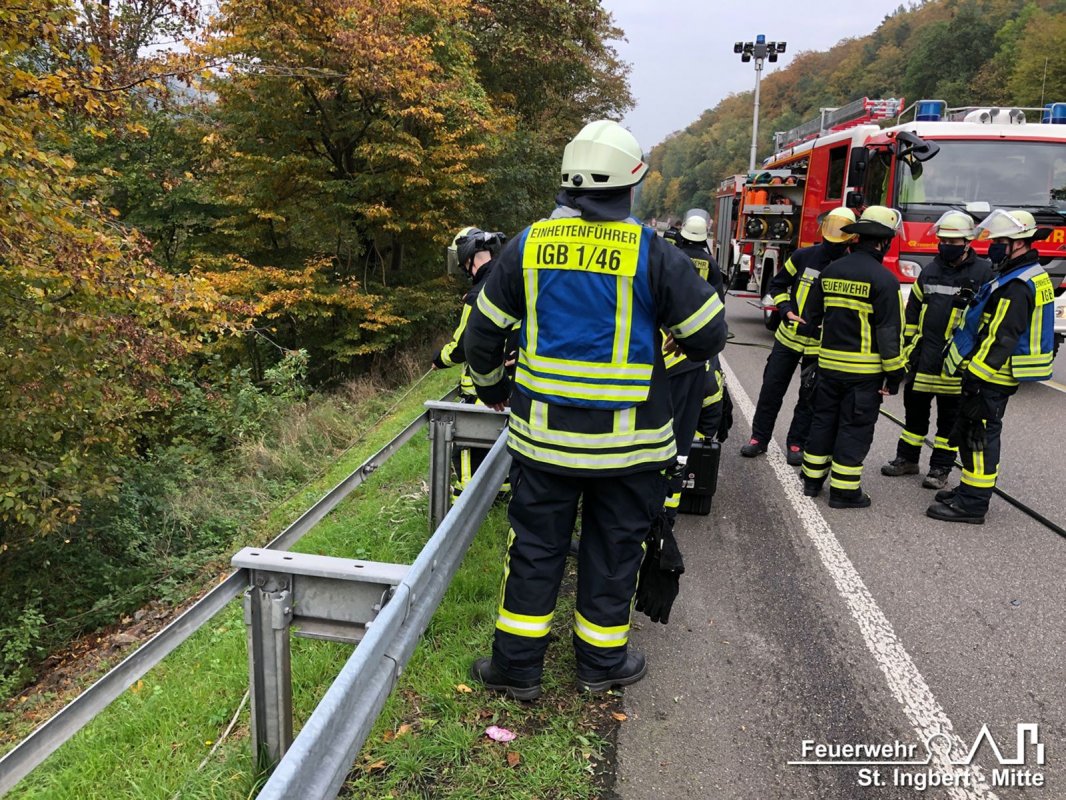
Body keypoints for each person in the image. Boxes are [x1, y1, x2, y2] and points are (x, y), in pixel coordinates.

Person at [463, 119, 727, 699]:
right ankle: (601, 666)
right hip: (631, 449)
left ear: (568, 184)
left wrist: (489, 389)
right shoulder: (654, 253)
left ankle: (516, 670)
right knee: (614, 552)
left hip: (544, 444)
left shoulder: (527, 245)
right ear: (632, 184)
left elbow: (481, 337)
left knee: (534, 549)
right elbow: (710, 336)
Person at [927, 209, 1055, 524]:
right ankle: (969, 491)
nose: (994, 246)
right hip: (994, 374)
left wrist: (976, 377)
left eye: (1000, 241)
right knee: (973, 432)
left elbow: (1001, 338)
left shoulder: (1017, 285)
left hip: (992, 376)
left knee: (980, 437)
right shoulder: (1019, 273)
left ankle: (972, 505)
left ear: (1018, 243)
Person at [800, 206, 906, 508]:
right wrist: (894, 374)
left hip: (828, 366)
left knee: (823, 421)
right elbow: (889, 334)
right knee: (854, 428)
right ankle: (845, 492)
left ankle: (811, 481)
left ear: (857, 238)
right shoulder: (884, 281)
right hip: (864, 374)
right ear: (883, 242)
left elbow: (812, 315)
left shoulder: (830, 272)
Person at [880, 211, 993, 489]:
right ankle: (907, 459)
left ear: (967, 242)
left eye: (952, 240)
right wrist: (908, 350)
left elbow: (986, 320)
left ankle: (940, 469)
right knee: (914, 415)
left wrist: (971, 358)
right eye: (943, 239)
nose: (946, 245)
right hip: (923, 359)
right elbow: (914, 311)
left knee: (949, 421)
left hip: (955, 363)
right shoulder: (930, 270)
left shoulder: (983, 274)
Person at [741, 207, 856, 466]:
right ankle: (759, 439)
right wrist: (786, 310)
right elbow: (777, 284)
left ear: (850, 239)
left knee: (809, 397)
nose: (831, 244)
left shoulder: (849, 267)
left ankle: (796, 442)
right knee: (771, 389)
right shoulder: (803, 256)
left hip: (819, 346)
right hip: (788, 338)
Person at [432, 227, 507, 492]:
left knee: (465, 445)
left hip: (481, 387)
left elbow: (464, 344)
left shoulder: (478, 294)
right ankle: (501, 490)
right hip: (510, 382)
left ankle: (466, 498)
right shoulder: (507, 278)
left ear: (467, 256)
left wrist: (438, 359)